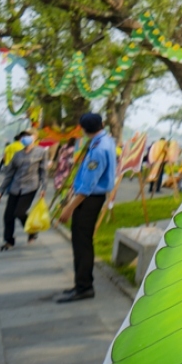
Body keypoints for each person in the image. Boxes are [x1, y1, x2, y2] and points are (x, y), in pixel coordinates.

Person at [56, 113, 115, 303]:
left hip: (89, 199)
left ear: (83, 129)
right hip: (90, 197)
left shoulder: (98, 149)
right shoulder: (106, 140)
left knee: (82, 243)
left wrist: (69, 208)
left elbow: (89, 185)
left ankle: (84, 287)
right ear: (102, 124)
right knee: (82, 242)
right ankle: (81, 283)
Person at [0, 130, 47, 251]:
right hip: (15, 187)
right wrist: (0, 192)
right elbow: (9, 174)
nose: (25, 139)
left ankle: (32, 231)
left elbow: (43, 171)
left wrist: (44, 187)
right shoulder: (18, 154)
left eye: (28, 137)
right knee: (8, 216)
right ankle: (8, 241)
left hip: (30, 187)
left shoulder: (41, 152)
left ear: (34, 138)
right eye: (23, 137)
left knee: (19, 212)